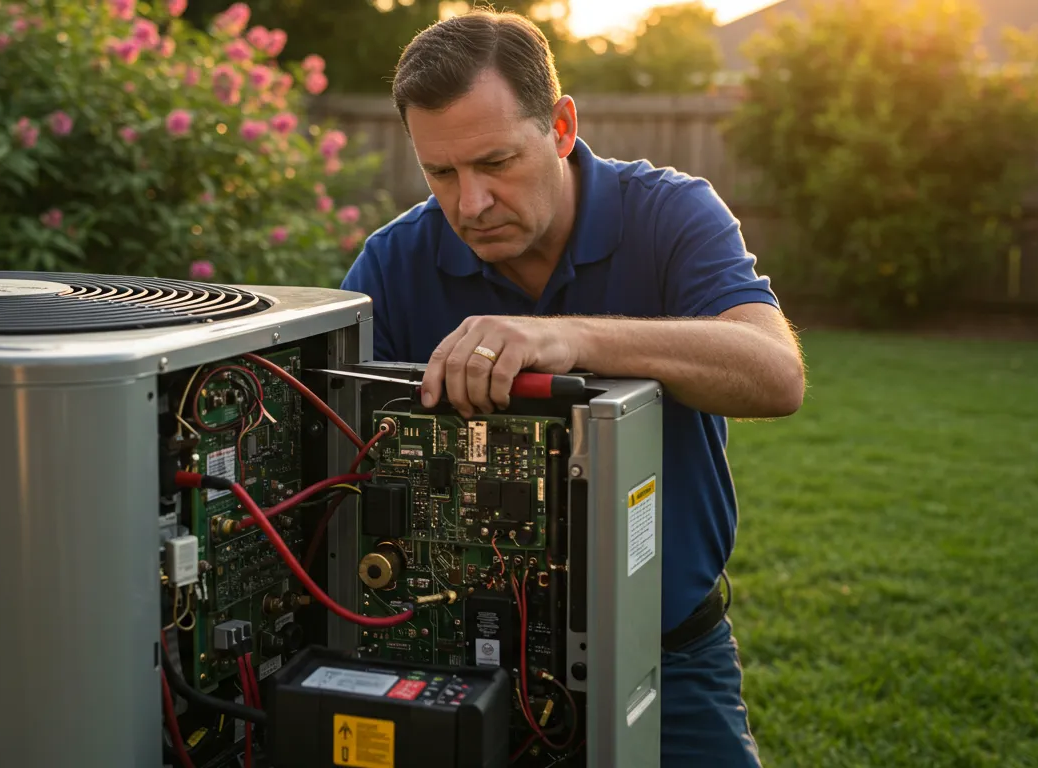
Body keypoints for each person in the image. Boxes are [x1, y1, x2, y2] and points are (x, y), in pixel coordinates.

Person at [339, 8, 804, 767]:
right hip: (451, 654)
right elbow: (333, 448)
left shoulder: (671, 213)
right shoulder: (394, 263)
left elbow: (775, 374)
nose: (470, 204)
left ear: (560, 126)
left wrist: (573, 339)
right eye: (441, 173)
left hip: (666, 653)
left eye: (495, 162)